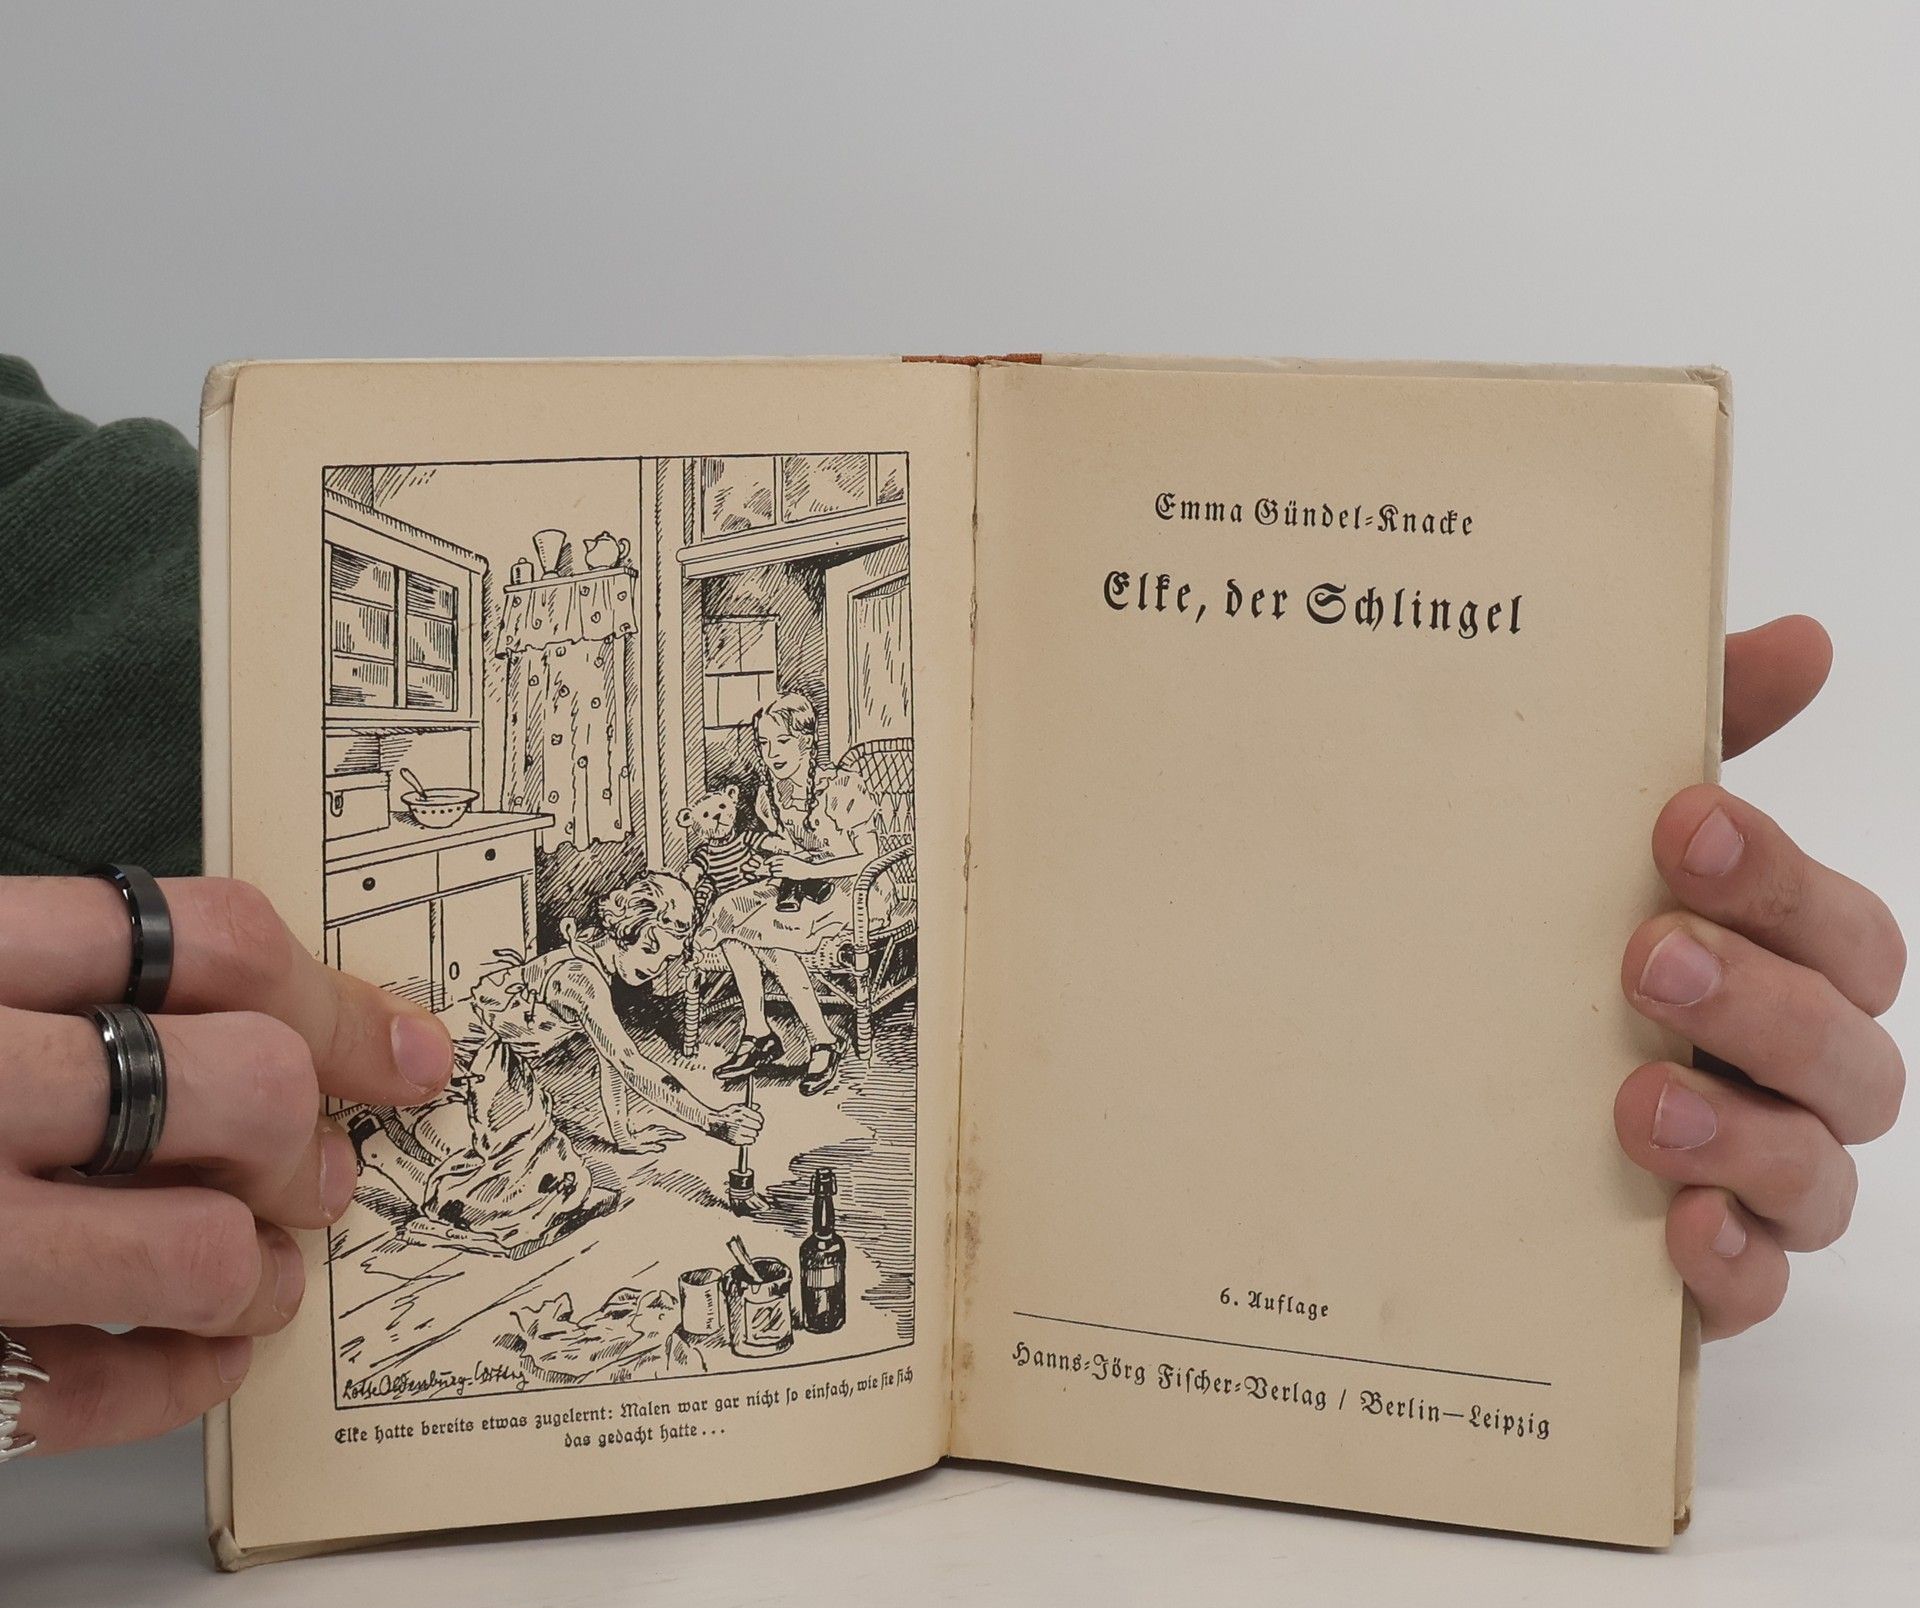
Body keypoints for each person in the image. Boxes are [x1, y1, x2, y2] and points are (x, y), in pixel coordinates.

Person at [0, 365, 1905, 1457]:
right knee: (724, 960)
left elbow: (41, 530)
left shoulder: (811, 790)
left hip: (743, 927)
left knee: (750, 954)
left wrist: (1441, 879)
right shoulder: (717, 812)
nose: (773, 735)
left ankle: (749, 1069)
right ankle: (740, 1077)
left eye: (781, 723)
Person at [353, 876, 762, 1254]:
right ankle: (376, 1149)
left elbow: (611, 1060)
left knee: (562, 1180)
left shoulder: (595, 966)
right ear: (637, 934)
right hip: (451, 1068)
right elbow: (629, 1062)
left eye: (667, 959)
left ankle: (390, 1141)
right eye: (656, 953)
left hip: (500, 1066)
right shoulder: (581, 979)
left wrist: (623, 1134)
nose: (657, 969)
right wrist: (711, 1120)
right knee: (502, 1197)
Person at [696, 690, 897, 1096]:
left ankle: (822, 1041)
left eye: (783, 741)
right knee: (730, 914)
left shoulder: (842, 787)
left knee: (768, 937)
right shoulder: (769, 795)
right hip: (803, 887)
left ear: (806, 741)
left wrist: (809, 868)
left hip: (858, 890)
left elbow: (871, 858)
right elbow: (790, 848)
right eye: (764, 743)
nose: (772, 753)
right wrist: (768, 864)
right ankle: (758, 1031)